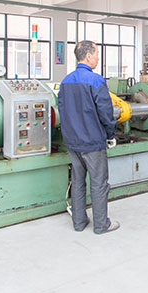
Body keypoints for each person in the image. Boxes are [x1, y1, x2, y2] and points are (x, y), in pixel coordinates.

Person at [58, 40, 120, 234]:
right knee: (99, 183)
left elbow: (63, 112)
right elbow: (106, 113)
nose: (98, 58)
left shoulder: (65, 82)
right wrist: (110, 134)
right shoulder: (96, 81)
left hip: (72, 142)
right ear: (88, 56)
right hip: (92, 142)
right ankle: (101, 225)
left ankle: (79, 222)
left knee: (77, 182)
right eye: (97, 54)